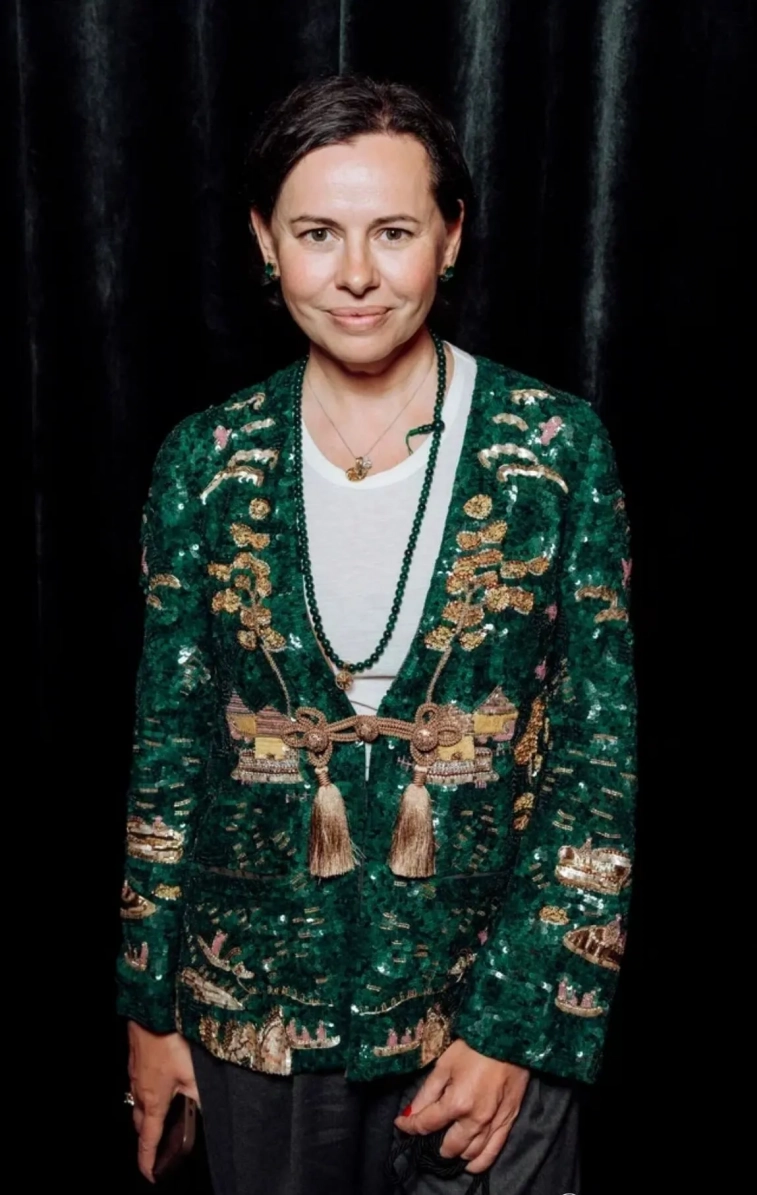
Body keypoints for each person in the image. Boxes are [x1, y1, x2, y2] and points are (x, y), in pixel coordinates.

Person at [118, 75, 636, 1195]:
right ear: (266, 242)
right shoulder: (204, 459)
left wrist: (517, 1023)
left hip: (480, 1014)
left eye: (393, 232)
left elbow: (594, 759)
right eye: (317, 233)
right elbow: (168, 749)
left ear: (450, 238)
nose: (356, 273)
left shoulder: (554, 448)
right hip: (255, 1011)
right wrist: (148, 1008)